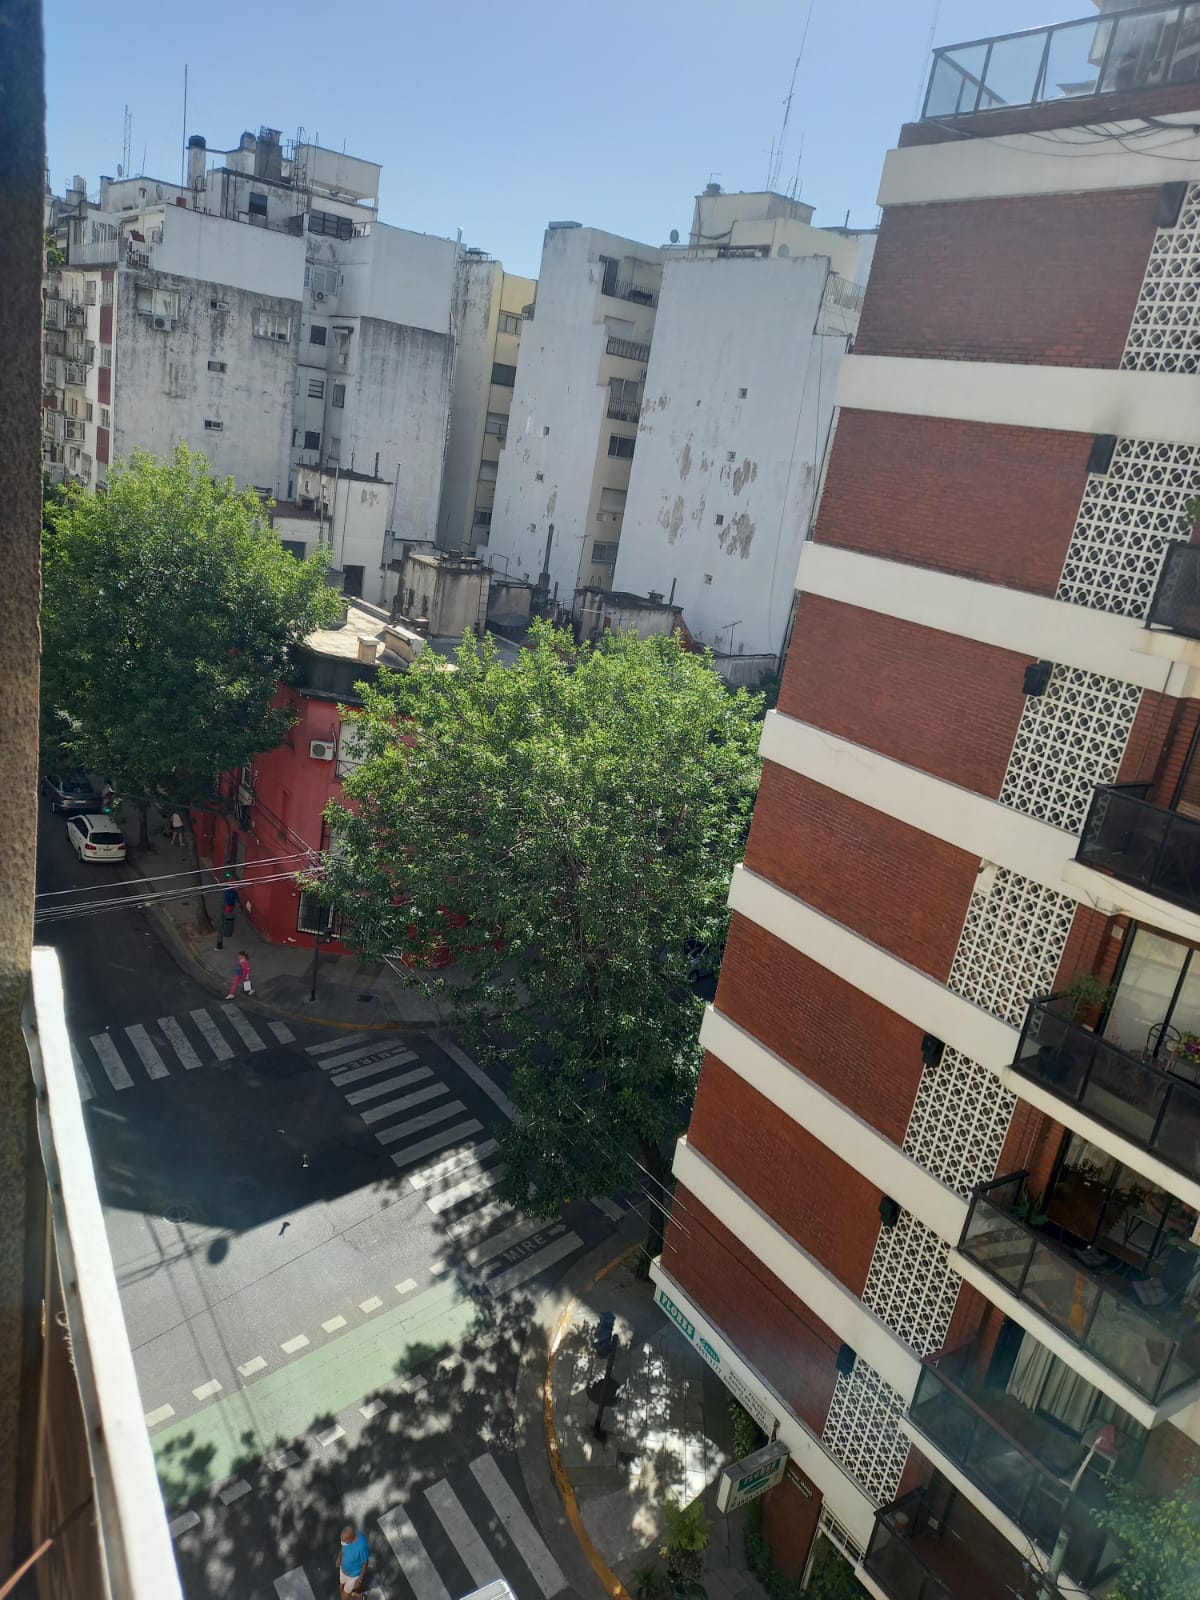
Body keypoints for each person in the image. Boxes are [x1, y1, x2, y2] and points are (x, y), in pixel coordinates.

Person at [336, 1524, 370, 1597]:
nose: (342, 1542)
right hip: (343, 1570)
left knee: (346, 1595)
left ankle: (353, 1596)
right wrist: (339, 1557)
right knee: (341, 1586)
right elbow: (343, 1547)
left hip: (352, 1576)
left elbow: (365, 1563)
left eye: (344, 1541)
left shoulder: (362, 1546)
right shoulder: (347, 1538)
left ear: (350, 1540)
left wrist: (360, 1581)